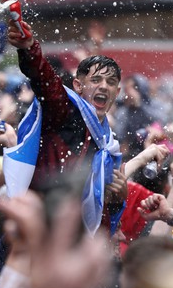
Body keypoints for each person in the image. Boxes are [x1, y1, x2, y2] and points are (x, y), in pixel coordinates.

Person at [7, 18, 126, 234]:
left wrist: (118, 198)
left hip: (76, 239)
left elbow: (99, 215)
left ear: (117, 92)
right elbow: (47, 83)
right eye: (96, 80)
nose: (104, 87)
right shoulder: (65, 112)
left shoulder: (109, 145)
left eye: (110, 83)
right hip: (41, 227)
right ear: (78, 86)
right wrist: (29, 49)